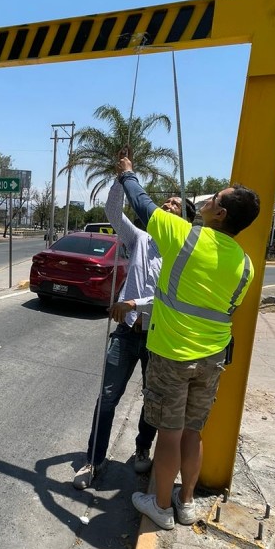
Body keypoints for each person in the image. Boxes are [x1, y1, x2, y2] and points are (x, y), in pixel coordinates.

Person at [117, 155, 260, 529]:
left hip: (172, 355)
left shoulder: (183, 235)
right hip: (212, 360)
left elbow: (142, 203)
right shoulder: (246, 265)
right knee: (193, 433)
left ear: (221, 214)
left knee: (169, 434)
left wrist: (128, 173)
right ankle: (187, 502)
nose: (208, 201)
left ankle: (161, 507)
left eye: (214, 199)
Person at [73, 178, 196, 490]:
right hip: (127, 332)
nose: (167, 206)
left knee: (151, 399)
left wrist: (133, 302)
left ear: (184, 222)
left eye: (175, 206)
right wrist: (120, 179)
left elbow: (169, 300)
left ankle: (142, 446)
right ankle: (93, 460)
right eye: (166, 203)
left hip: (158, 338)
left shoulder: (183, 254)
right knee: (108, 397)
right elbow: (113, 211)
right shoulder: (140, 238)